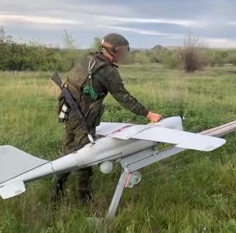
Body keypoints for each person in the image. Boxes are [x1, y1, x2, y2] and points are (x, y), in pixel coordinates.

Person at [51, 33, 163, 203]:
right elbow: (124, 98)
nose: (125, 55)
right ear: (114, 51)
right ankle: (85, 201)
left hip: (69, 111)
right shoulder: (107, 71)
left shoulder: (88, 59)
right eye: (124, 51)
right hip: (83, 118)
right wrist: (149, 114)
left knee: (68, 154)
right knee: (85, 159)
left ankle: (56, 195)